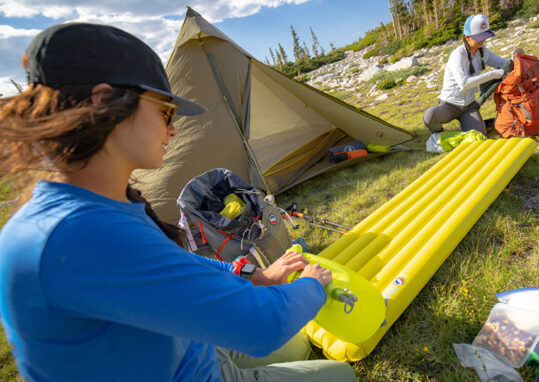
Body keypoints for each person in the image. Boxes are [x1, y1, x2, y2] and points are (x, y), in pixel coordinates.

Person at [0, 23, 356, 382]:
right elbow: (263, 325)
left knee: (298, 346)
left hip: (184, 347)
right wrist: (310, 283)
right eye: (165, 111)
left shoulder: (93, 205)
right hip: (191, 369)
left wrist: (254, 275)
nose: (172, 129)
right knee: (341, 375)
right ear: (103, 102)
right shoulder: (77, 234)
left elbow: (175, 265)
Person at [423, 14, 509, 136]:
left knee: (479, 136)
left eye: (485, 36)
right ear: (467, 37)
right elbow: (463, 84)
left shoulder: (483, 51)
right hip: (449, 105)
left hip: (469, 106)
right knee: (429, 116)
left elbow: (503, 63)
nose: (483, 40)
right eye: (479, 38)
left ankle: (477, 123)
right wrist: (493, 74)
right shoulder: (457, 55)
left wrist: (515, 59)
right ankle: (439, 136)